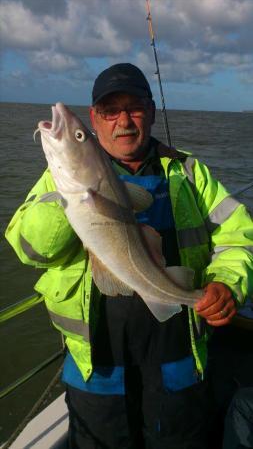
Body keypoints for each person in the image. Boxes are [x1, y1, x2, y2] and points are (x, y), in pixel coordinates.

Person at [5, 63, 253, 449]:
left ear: (151, 112)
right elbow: (31, 250)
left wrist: (226, 282)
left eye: (134, 108)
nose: (123, 121)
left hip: (178, 359)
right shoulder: (58, 182)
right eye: (109, 111)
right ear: (95, 119)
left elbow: (240, 235)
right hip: (97, 366)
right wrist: (66, 186)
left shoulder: (188, 171)